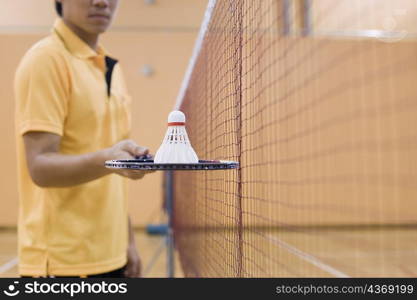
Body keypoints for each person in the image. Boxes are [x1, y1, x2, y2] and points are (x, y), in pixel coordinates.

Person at [14, 0, 154, 277]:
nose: (101, 2)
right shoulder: (46, 60)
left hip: (111, 254)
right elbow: (40, 167)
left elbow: (110, 165)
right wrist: (110, 160)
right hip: (63, 262)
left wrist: (127, 240)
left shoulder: (111, 68)